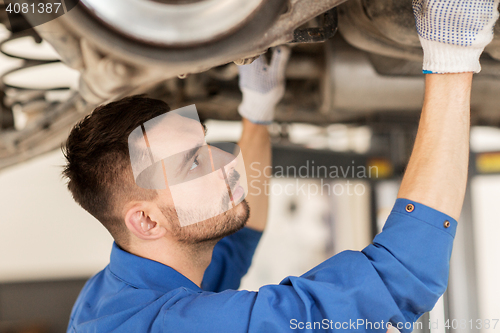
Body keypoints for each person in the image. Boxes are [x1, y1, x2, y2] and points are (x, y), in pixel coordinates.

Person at [64, 1, 499, 332]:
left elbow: (239, 240)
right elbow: (401, 280)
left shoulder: (127, 286)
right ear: (145, 220)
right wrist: (451, 54)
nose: (224, 159)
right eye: (193, 163)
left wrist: (257, 108)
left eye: (205, 144)